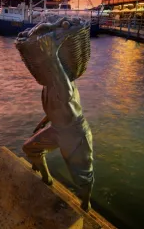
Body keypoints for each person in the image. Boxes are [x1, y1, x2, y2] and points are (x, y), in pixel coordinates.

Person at [17, 18, 94, 212]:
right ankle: (46, 178)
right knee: (30, 148)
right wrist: (43, 122)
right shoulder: (48, 84)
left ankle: (86, 202)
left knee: (83, 176)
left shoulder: (62, 81)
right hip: (57, 129)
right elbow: (56, 108)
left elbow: (66, 94)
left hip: (75, 134)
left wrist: (51, 52)